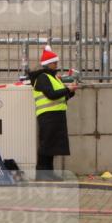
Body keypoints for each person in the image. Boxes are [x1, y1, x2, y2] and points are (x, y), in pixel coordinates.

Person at [28, 46, 77, 181]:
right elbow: (51, 95)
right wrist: (67, 89)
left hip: (55, 115)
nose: (57, 65)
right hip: (48, 116)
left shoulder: (53, 77)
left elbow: (62, 96)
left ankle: (48, 173)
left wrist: (70, 91)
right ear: (48, 64)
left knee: (51, 146)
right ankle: (42, 174)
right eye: (54, 63)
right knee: (46, 145)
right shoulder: (43, 78)